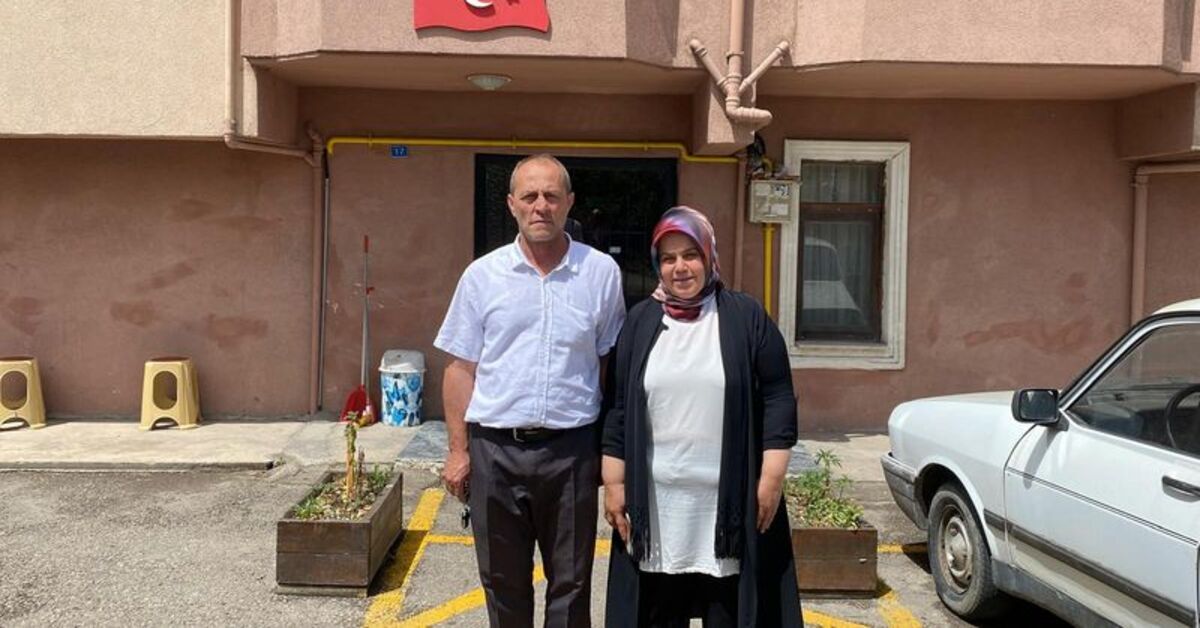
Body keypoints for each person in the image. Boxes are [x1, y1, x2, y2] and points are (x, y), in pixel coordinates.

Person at [434, 154, 625, 628]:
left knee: (572, 585)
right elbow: (460, 368)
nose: (541, 206)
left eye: (552, 196)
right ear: (512, 204)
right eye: (530, 196)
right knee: (502, 583)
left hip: (571, 452)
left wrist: (607, 448)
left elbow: (608, 362)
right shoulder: (482, 275)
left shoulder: (601, 273)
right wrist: (458, 451)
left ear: (569, 203)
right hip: (496, 452)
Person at [602, 206, 802, 627]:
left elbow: (779, 395)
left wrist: (771, 478)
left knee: (727, 613)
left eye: (690, 255)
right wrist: (615, 484)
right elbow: (618, 407)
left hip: (727, 506)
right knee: (658, 615)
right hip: (658, 506)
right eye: (668, 258)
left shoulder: (744, 316)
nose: (680, 268)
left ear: (709, 256)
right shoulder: (639, 322)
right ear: (657, 264)